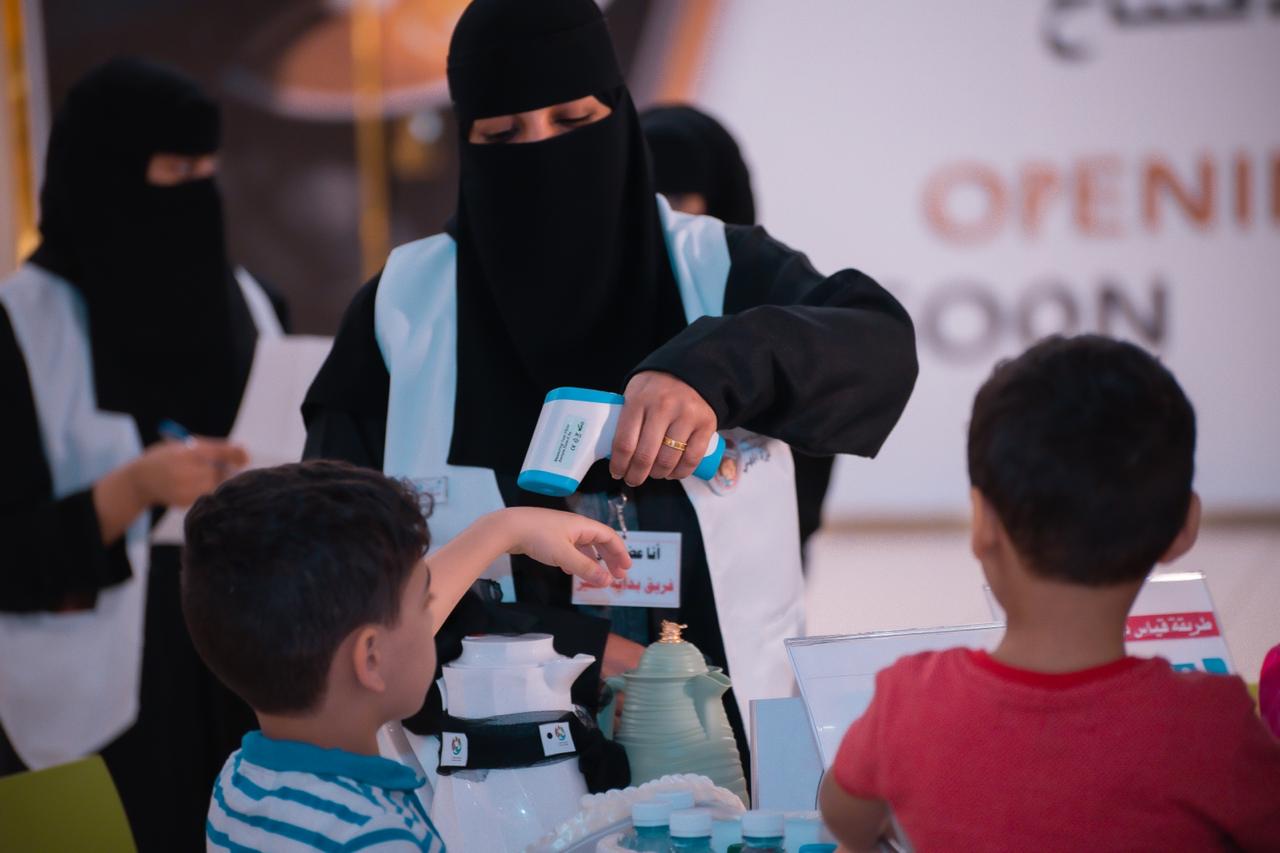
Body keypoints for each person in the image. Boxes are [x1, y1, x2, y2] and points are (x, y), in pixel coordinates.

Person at [302, 0, 918, 775]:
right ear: (467, 143)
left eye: (573, 119)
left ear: (619, 115)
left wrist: (711, 368)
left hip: (729, 763)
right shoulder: (402, 310)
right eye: (504, 134)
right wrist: (584, 649)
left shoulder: (718, 268)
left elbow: (879, 343)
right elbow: (334, 570)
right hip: (489, 780)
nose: (543, 153)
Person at [818, 335, 1280, 851]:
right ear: (1184, 527)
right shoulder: (1214, 729)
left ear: (981, 522)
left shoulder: (909, 703)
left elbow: (843, 818)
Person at [0, 57, 287, 850]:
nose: (196, 192)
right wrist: (128, 491)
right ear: (109, 174)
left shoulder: (251, 302)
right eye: (174, 171)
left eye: (206, 170)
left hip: (246, 674)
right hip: (98, 710)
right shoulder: (20, 326)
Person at [182, 460, 629, 852]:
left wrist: (505, 530)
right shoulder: (378, 835)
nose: (435, 618)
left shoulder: (238, 784)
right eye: (424, 604)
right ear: (371, 659)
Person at [641, 103, 835, 552]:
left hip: (753, 559)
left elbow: (808, 459)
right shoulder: (596, 301)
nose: (663, 214)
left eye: (677, 197)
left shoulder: (775, 301)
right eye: (646, 195)